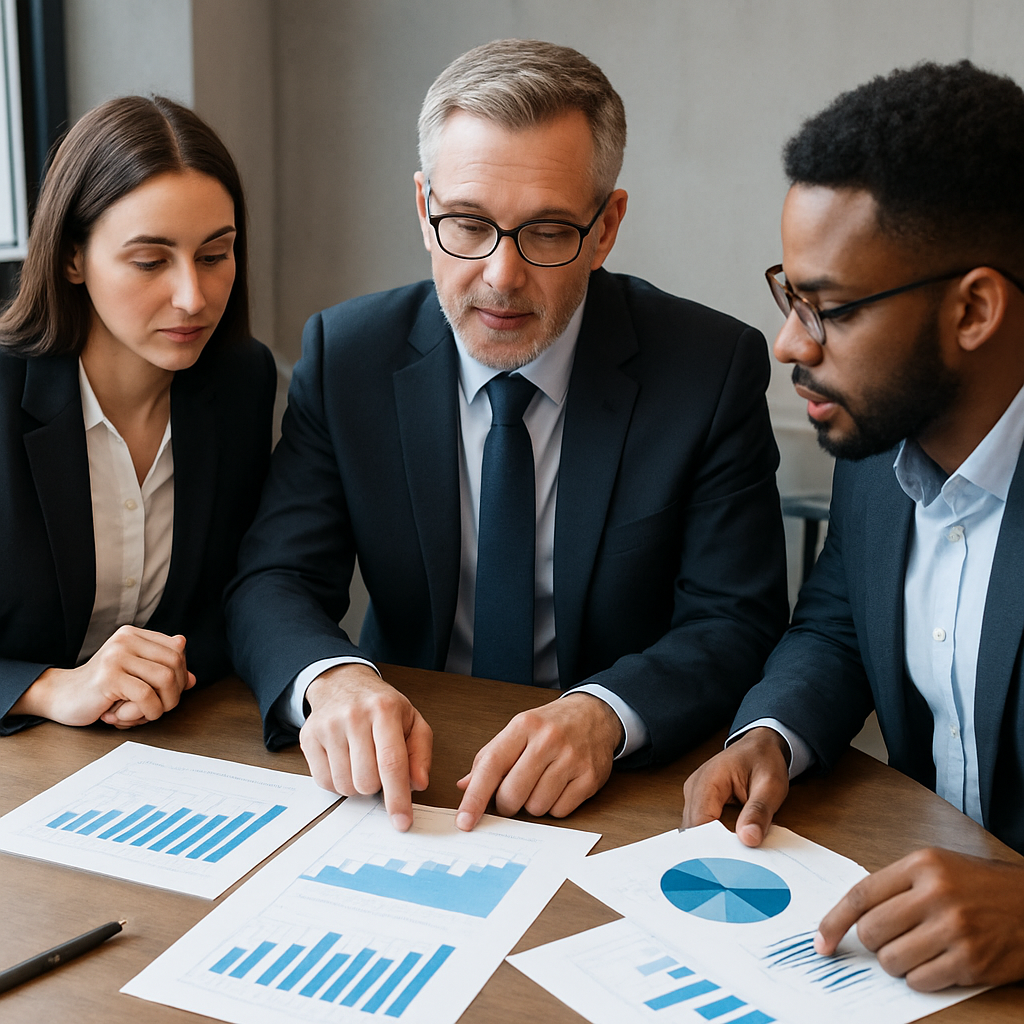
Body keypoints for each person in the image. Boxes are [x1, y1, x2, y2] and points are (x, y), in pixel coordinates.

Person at [228, 39, 788, 833]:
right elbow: (274, 579)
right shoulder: (346, 355)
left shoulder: (708, 369)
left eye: (548, 232)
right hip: (404, 775)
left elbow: (737, 619)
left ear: (606, 228)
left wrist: (606, 713)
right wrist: (334, 680)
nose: (499, 274)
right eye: (467, 223)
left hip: (610, 789)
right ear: (424, 208)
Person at [682, 60, 1024, 991]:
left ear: (974, 309)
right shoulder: (881, 449)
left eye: (829, 309)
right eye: (789, 297)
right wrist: (772, 733)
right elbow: (839, 617)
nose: (791, 344)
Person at [0, 96, 276, 735]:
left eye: (215, 255)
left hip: (157, 746)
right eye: (150, 261)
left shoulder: (240, 381)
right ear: (73, 259)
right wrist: (48, 690)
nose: (193, 296)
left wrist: (167, 673)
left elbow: (228, 600)